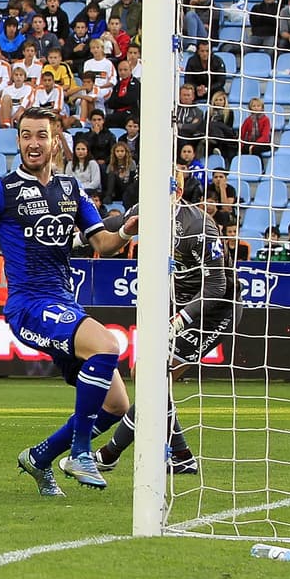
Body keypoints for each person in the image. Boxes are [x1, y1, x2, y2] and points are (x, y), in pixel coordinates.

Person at [0, 106, 137, 494]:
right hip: (29, 305)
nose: (33, 143)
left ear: (56, 141)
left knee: (117, 405)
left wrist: (128, 231)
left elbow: (102, 243)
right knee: (107, 345)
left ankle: (39, 457)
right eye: (26, 135)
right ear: (17, 141)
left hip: (65, 303)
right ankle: (80, 453)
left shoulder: (70, 189)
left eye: (42, 135)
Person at [95, 188, 240, 476]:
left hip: (213, 311)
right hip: (177, 305)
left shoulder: (198, 226)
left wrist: (178, 321)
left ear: (178, 191)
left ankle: (109, 453)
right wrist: (78, 230)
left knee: (155, 377)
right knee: (142, 373)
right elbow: (111, 225)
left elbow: (216, 287)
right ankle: (182, 456)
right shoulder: (146, 209)